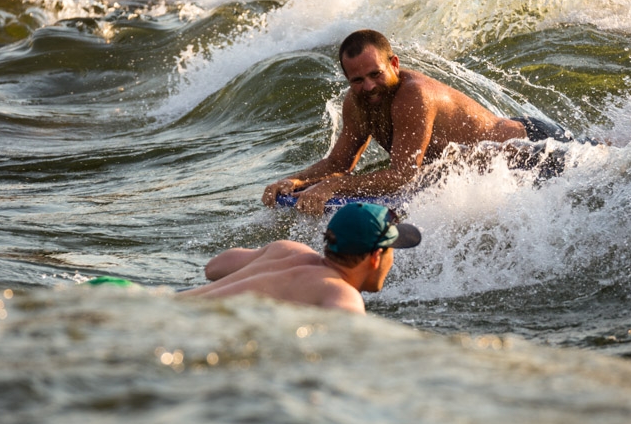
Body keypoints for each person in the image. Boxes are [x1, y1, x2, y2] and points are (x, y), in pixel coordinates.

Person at [262, 29, 585, 215]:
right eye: (357, 79)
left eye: (375, 74)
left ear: (394, 64)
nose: (369, 86)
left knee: (611, 164)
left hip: (532, 148)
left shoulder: (414, 96)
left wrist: (334, 186)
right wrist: (296, 181)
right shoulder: (357, 101)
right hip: (493, 160)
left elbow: (403, 175)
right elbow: (338, 161)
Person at [178, 202, 421, 314]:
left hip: (166, 302)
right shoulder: (342, 295)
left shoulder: (287, 250)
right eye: (392, 249)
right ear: (376, 256)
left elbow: (214, 267)